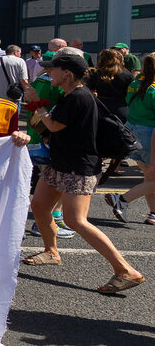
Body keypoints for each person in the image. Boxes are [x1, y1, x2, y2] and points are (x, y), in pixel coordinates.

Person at [26, 54, 145, 294]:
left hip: (78, 167)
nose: (48, 72)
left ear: (66, 73)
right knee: (39, 206)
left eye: (52, 69)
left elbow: (54, 125)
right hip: (60, 162)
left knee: (75, 220)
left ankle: (125, 270)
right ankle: (51, 252)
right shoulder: (69, 95)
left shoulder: (78, 97)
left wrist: (37, 103)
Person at [121, 53, 155, 225]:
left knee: (148, 177)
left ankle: (153, 213)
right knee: (151, 178)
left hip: (133, 132)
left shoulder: (135, 83)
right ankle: (122, 199)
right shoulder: (153, 88)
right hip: (149, 134)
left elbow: (128, 102)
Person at [86, 48, 134, 121]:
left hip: (101, 108)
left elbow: (90, 92)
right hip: (121, 108)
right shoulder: (127, 75)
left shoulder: (95, 74)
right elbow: (131, 94)